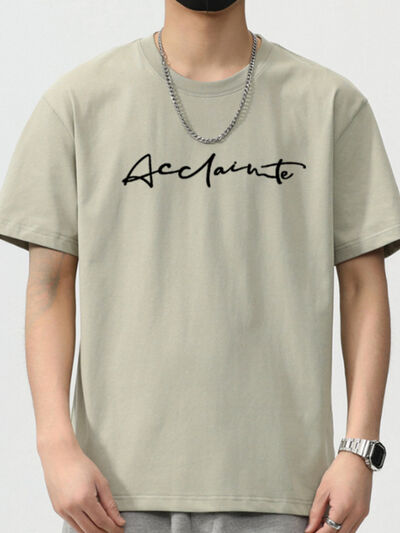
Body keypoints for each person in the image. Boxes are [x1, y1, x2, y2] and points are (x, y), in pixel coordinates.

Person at [0, 0, 399, 531]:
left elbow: (363, 289)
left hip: (285, 494)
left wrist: (359, 450)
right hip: (112, 494)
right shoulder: (76, 104)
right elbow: (49, 286)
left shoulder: (331, 105)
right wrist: (54, 445)